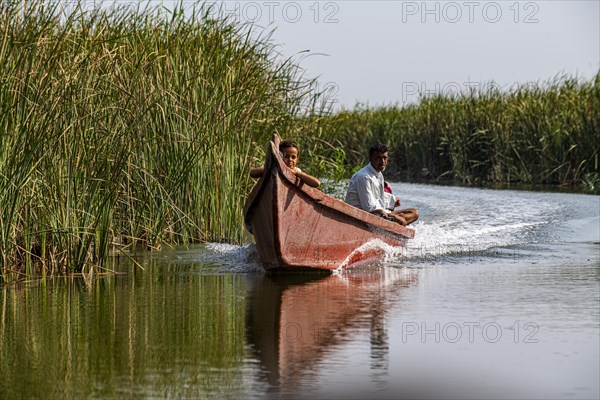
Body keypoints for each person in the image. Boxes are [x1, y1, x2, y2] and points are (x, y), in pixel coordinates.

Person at [345, 144, 419, 226]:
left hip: (378, 213)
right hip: (360, 217)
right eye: (378, 158)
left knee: (414, 212)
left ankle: (395, 224)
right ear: (370, 159)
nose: (383, 161)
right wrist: (391, 216)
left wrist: (392, 200)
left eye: (385, 158)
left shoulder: (378, 174)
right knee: (394, 217)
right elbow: (368, 207)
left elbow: (378, 196)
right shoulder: (363, 177)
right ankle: (395, 224)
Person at [250, 140, 321, 188]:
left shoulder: (297, 171)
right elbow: (252, 173)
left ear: (297, 159)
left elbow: (316, 183)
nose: (290, 159)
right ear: (279, 157)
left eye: (293, 157)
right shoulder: (273, 167)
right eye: (286, 156)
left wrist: (296, 173)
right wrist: (270, 168)